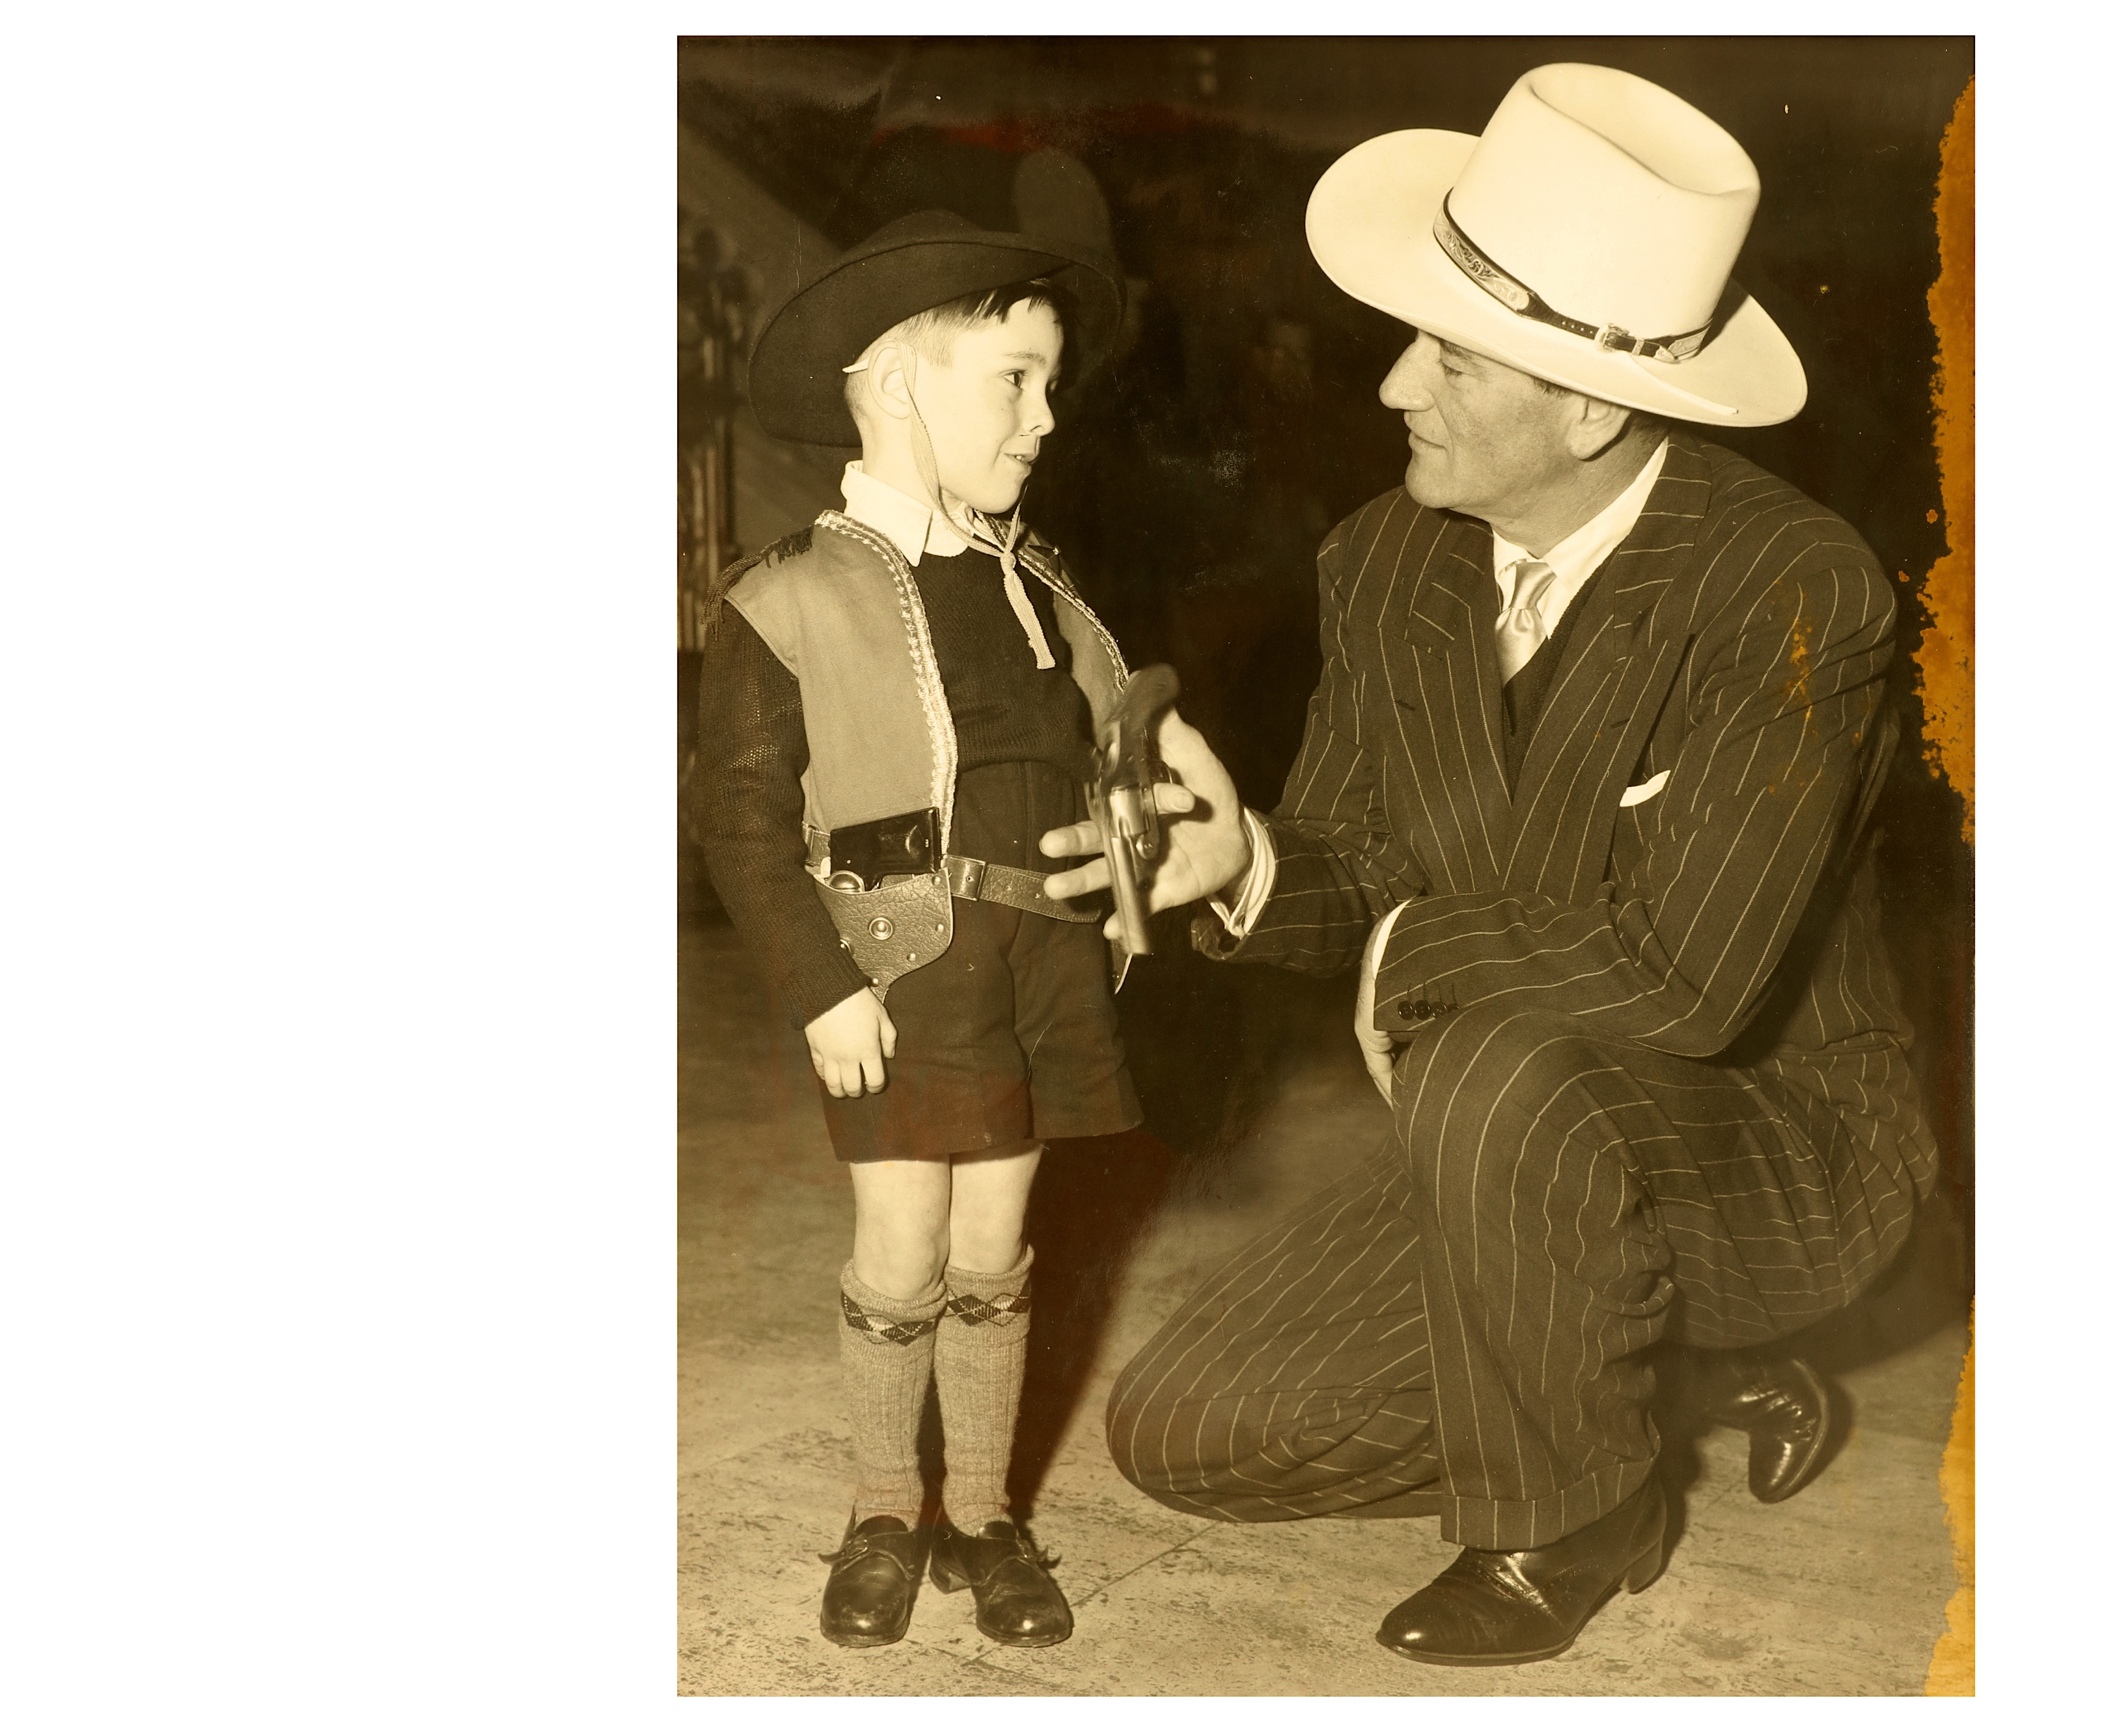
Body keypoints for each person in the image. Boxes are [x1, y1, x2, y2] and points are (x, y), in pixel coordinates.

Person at [1042, 64, 1940, 1666]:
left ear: (1589, 405)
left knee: (1497, 1059)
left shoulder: (1788, 588)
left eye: (1445, 354)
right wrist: (1244, 864)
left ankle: (1574, 1518)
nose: (1392, 385)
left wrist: (1400, 958)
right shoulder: (1382, 557)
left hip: (1762, 1148)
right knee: (1185, 1433)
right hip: (1508, 1145)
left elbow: (1685, 979)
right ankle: (1638, 1380)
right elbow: (1354, 854)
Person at [694, 210, 1142, 1651]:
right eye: (1016, 379)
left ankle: (989, 1513)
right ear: (898, 388)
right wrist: (822, 986)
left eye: (1050, 385)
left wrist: (1136, 862)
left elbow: (1107, 760)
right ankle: (888, 1501)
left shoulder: (1044, 584)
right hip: (901, 969)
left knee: (999, 1242)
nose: (1046, 416)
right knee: (901, 1241)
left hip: (1041, 960)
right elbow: (743, 820)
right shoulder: (792, 595)